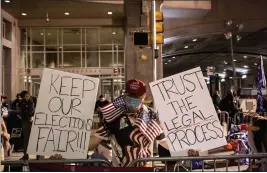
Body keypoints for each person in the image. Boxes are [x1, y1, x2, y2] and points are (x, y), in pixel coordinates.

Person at [19, 91, 35, 160]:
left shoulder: (32, 101)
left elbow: (31, 111)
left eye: (28, 96)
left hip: (32, 120)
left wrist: (31, 116)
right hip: (26, 121)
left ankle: (39, 155)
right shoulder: (22, 102)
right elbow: (22, 112)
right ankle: (26, 155)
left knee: (35, 138)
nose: (28, 97)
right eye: (26, 96)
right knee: (26, 139)